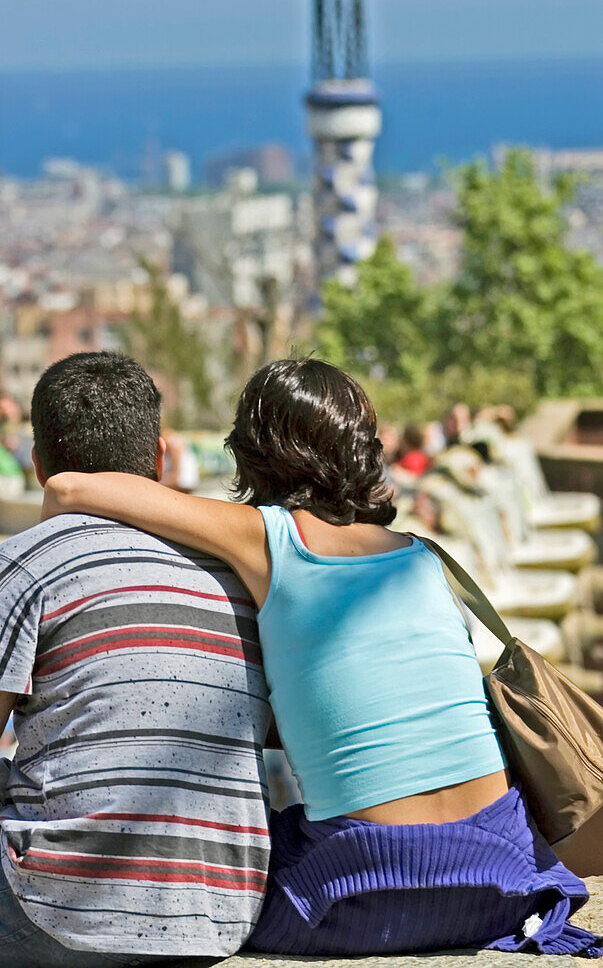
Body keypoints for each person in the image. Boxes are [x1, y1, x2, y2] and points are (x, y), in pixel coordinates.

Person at [43, 357, 602, 959]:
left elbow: (70, 487)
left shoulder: (268, 537)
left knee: (204, 862)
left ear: (253, 453)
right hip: (505, 873)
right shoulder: (421, 559)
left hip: (368, 887)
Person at [0, 352, 270, 968]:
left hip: (63, 897)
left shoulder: (26, 562)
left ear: (37, 466)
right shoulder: (233, 573)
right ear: (160, 457)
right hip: (226, 907)